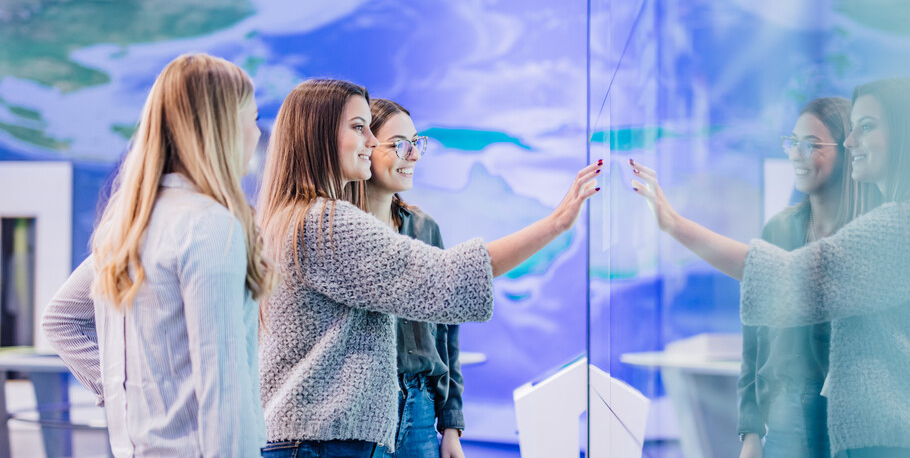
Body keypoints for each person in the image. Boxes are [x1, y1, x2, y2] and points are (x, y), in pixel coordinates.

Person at [632, 77, 910, 458]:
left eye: (866, 127)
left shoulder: (908, 226)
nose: (851, 142)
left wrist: (674, 224)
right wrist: (752, 428)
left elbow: (792, 282)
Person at [256, 79, 599, 458]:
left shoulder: (292, 219)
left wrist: (449, 423)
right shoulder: (325, 223)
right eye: (359, 128)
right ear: (317, 134)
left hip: (319, 439)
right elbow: (443, 280)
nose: (371, 142)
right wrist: (555, 224)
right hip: (325, 443)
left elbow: (443, 330)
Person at [42, 53, 271, 457]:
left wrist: (124, 398)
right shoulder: (210, 224)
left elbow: (61, 319)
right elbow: (224, 390)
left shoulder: (129, 225)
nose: (256, 134)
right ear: (221, 127)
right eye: (252, 118)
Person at [738, 98, 877, 458]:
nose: (796, 155)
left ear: (848, 151)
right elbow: (754, 340)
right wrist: (751, 431)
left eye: (811, 145)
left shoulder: (874, 231)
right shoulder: (779, 228)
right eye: (792, 142)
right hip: (786, 417)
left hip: (857, 418)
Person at [365, 98, 466, 458]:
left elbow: (447, 331)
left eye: (417, 143)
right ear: (365, 147)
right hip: (359, 415)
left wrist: (450, 426)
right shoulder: (338, 233)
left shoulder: (424, 228)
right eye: (400, 145)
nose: (414, 156)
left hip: (421, 410)